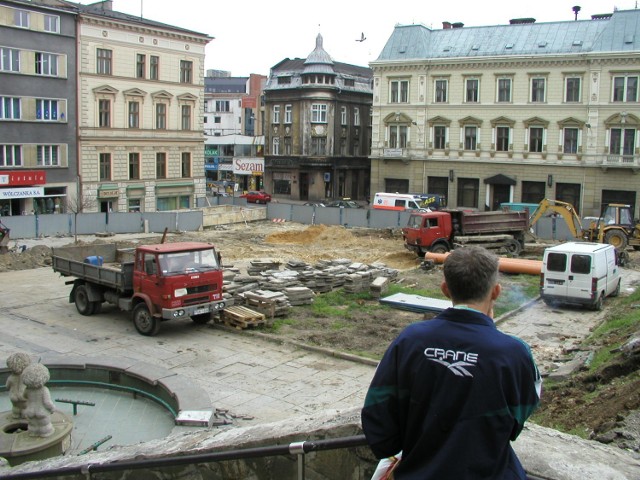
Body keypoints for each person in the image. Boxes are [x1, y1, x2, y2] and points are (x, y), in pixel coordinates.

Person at [361, 246, 541, 479]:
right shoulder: (514, 353)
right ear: (496, 292)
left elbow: (378, 410)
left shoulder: (411, 340)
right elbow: (519, 415)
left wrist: (394, 450)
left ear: (445, 290)